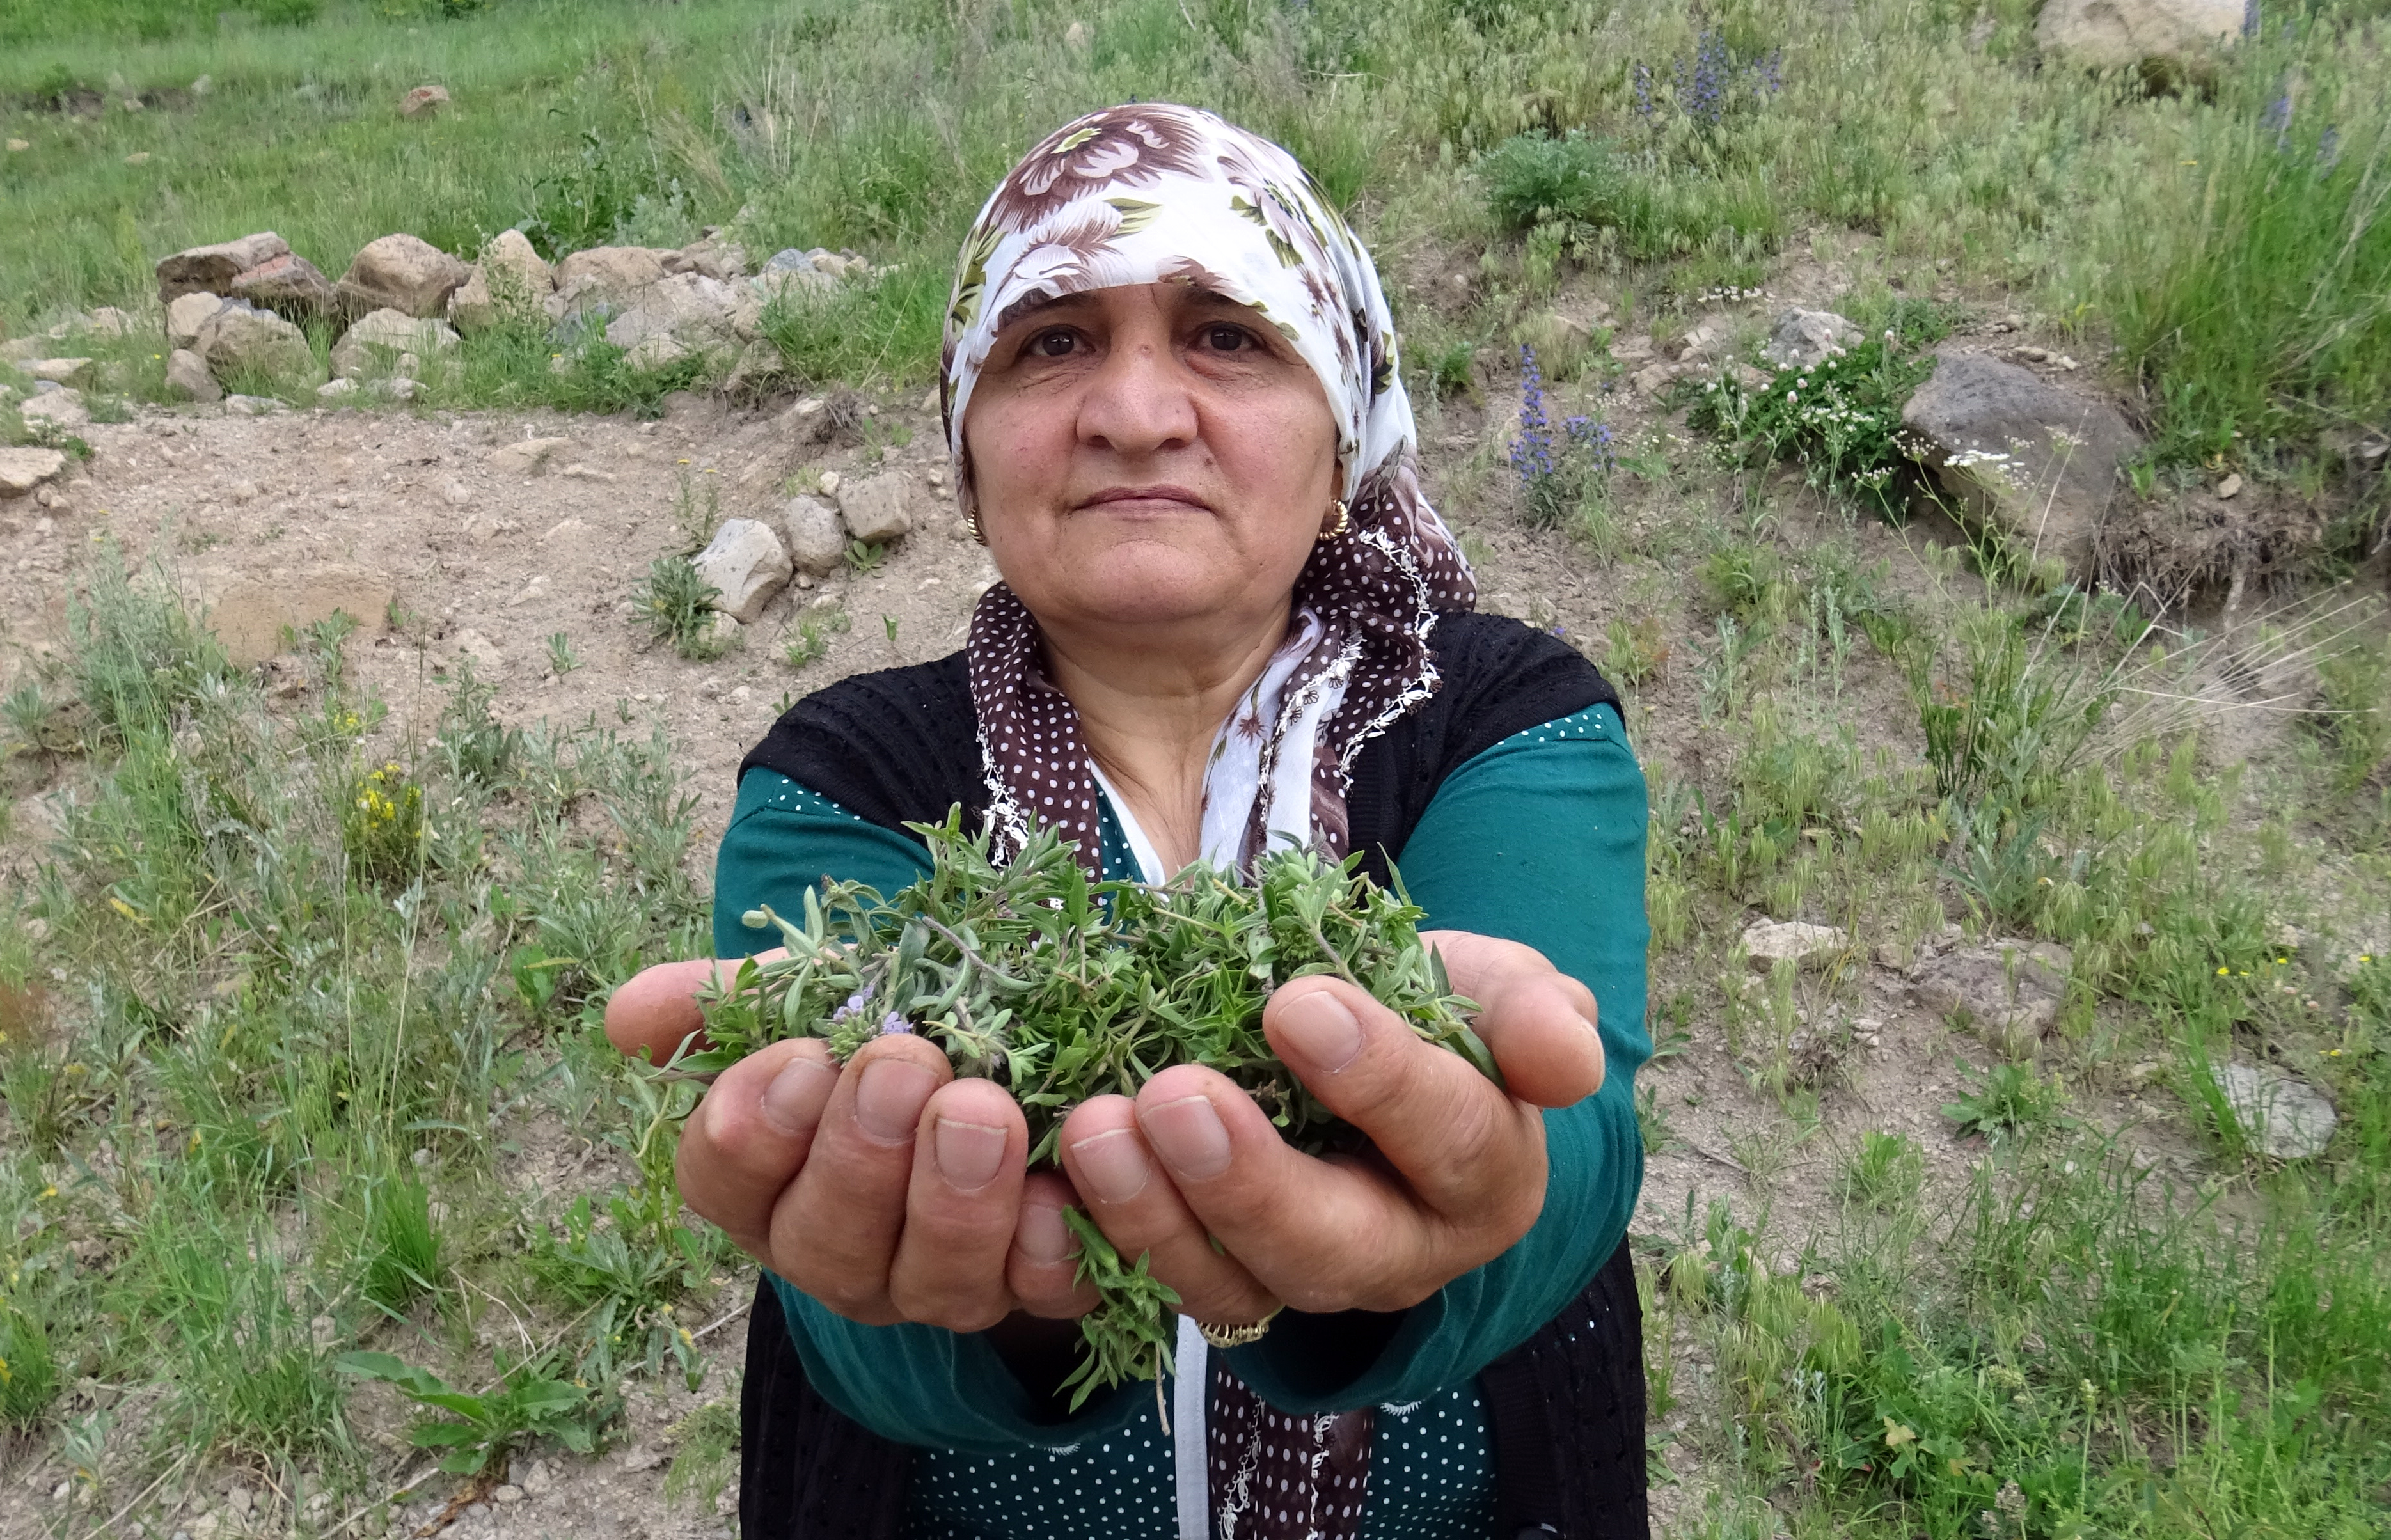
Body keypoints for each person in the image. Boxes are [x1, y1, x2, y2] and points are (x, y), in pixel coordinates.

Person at [604, 103, 1652, 1540]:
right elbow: (847, 1313)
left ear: (1343, 436)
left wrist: (1467, 1203)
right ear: (971, 456)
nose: (1136, 411)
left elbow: (1578, 1143)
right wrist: (1010, 1295)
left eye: (1228, 334)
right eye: (1053, 342)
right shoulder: (845, 775)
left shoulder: (1499, 718)